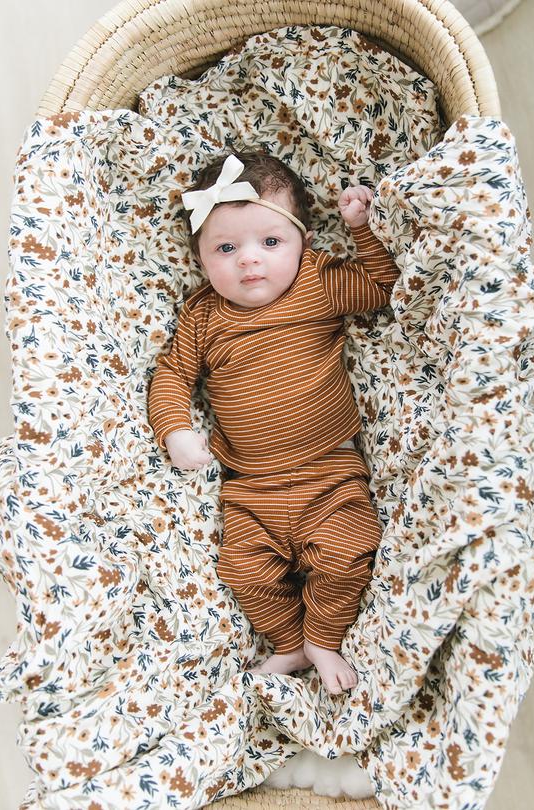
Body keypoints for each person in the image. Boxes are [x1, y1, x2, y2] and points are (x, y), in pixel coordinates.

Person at [148, 151, 399, 694]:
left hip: (328, 473)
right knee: (244, 573)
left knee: (350, 551)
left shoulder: (318, 283)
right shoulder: (203, 317)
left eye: (270, 242)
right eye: (226, 248)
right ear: (200, 258)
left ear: (302, 242)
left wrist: (362, 231)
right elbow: (171, 375)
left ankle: (322, 638)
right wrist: (175, 430)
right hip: (251, 489)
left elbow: (380, 288)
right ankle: (288, 643)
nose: (249, 262)